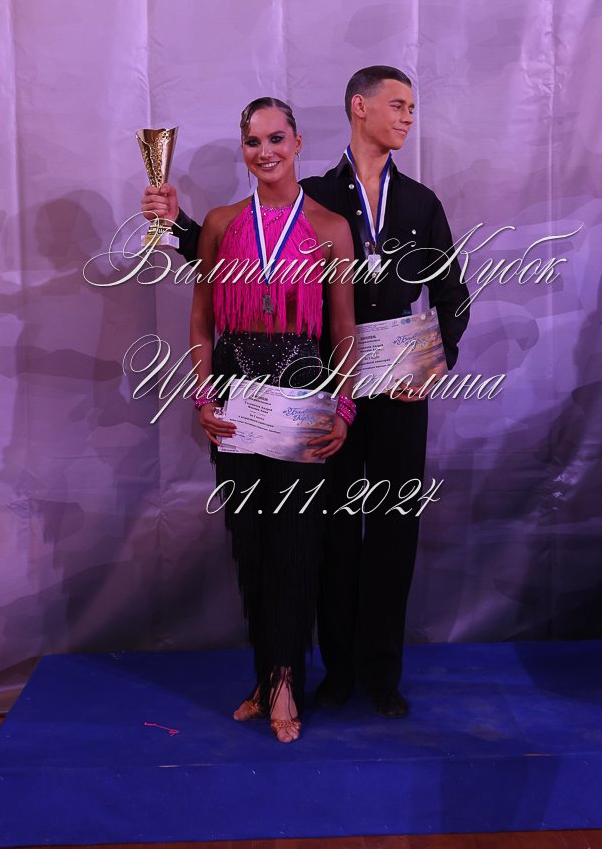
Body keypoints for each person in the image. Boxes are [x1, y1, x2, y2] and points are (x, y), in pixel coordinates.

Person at [143, 67, 469, 720]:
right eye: (398, 104)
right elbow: (237, 256)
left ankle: (382, 673)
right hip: (322, 386)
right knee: (332, 533)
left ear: (291, 140)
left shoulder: (420, 201)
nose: (408, 117)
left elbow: (452, 292)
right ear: (360, 108)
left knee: (394, 528)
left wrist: (437, 365)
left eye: (411, 107)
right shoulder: (311, 192)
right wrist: (175, 223)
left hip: (398, 385)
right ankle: (337, 670)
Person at [142, 98, 357, 742]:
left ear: (298, 143)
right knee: (251, 546)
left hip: (302, 404)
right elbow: (200, 321)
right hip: (236, 406)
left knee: (297, 546)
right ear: (243, 149)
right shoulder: (219, 222)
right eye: (253, 141)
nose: (265, 151)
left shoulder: (329, 227)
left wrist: (344, 407)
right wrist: (203, 397)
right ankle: (266, 676)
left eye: (276, 138)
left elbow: (344, 329)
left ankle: (286, 681)